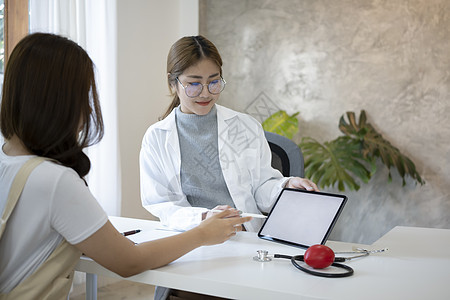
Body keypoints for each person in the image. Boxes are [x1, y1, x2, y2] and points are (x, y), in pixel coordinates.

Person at [0, 33, 251, 299]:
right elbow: (129, 261)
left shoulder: (10, 161)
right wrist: (202, 233)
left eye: (213, 82)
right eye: (84, 93)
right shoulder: (55, 180)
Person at [139, 35, 319, 234]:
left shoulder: (245, 126)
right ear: (173, 83)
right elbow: (162, 204)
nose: (206, 93)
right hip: (190, 239)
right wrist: (204, 218)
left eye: (214, 82)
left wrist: (285, 186)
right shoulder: (157, 138)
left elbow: (261, 187)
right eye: (194, 84)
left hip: (244, 238)